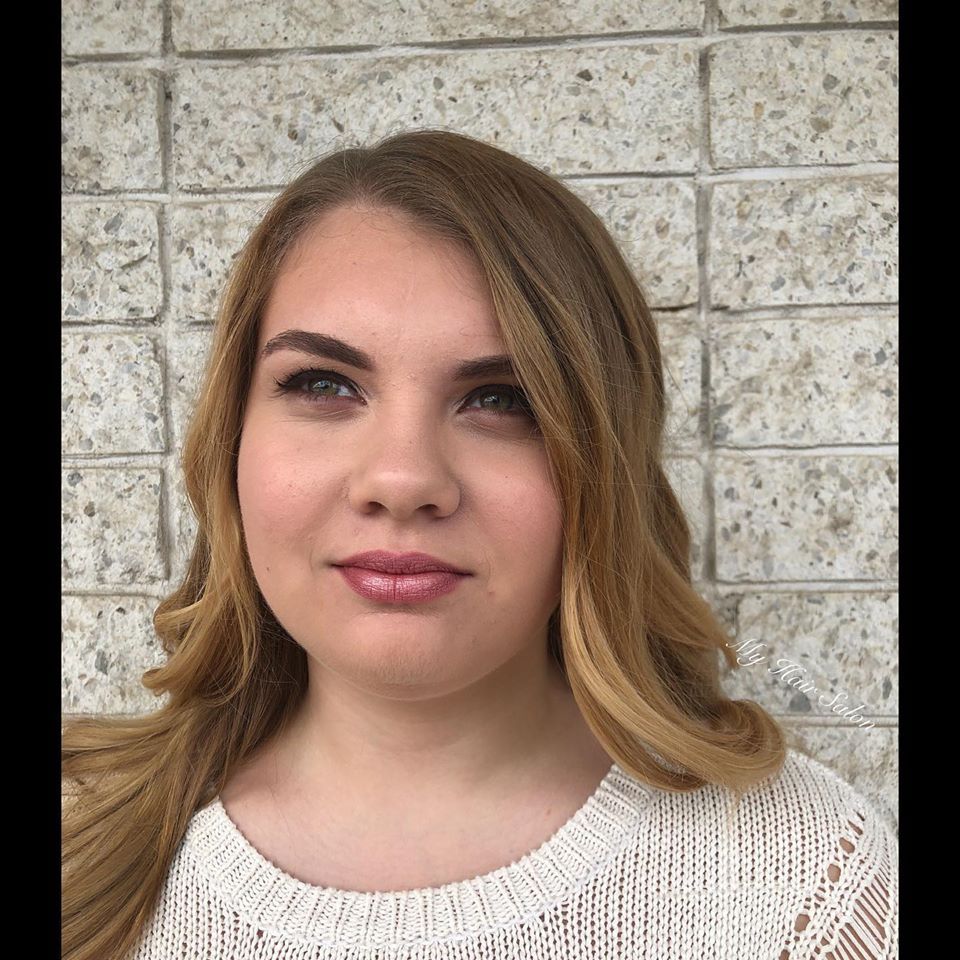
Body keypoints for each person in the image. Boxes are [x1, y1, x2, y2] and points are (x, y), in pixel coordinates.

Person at [61, 129, 898, 960]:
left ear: (602, 464)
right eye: (323, 384)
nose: (400, 478)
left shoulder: (801, 885)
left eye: (501, 398)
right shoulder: (79, 846)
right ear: (230, 441)